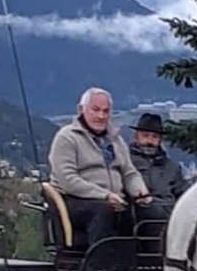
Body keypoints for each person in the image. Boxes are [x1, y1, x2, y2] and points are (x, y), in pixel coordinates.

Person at [47, 87, 154, 249]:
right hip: (75, 201)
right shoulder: (67, 138)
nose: (101, 116)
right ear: (81, 110)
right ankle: (102, 262)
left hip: (115, 200)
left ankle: (152, 261)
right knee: (104, 211)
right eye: (95, 110)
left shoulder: (116, 140)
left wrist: (140, 192)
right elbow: (67, 180)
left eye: (105, 111)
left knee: (152, 212)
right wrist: (104, 195)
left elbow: (129, 172)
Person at [128, 112, 187, 222]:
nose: (150, 141)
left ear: (160, 140)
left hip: (171, 216)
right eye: (145, 136)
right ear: (136, 137)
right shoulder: (126, 162)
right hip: (138, 215)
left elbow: (184, 194)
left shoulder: (172, 168)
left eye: (155, 137)